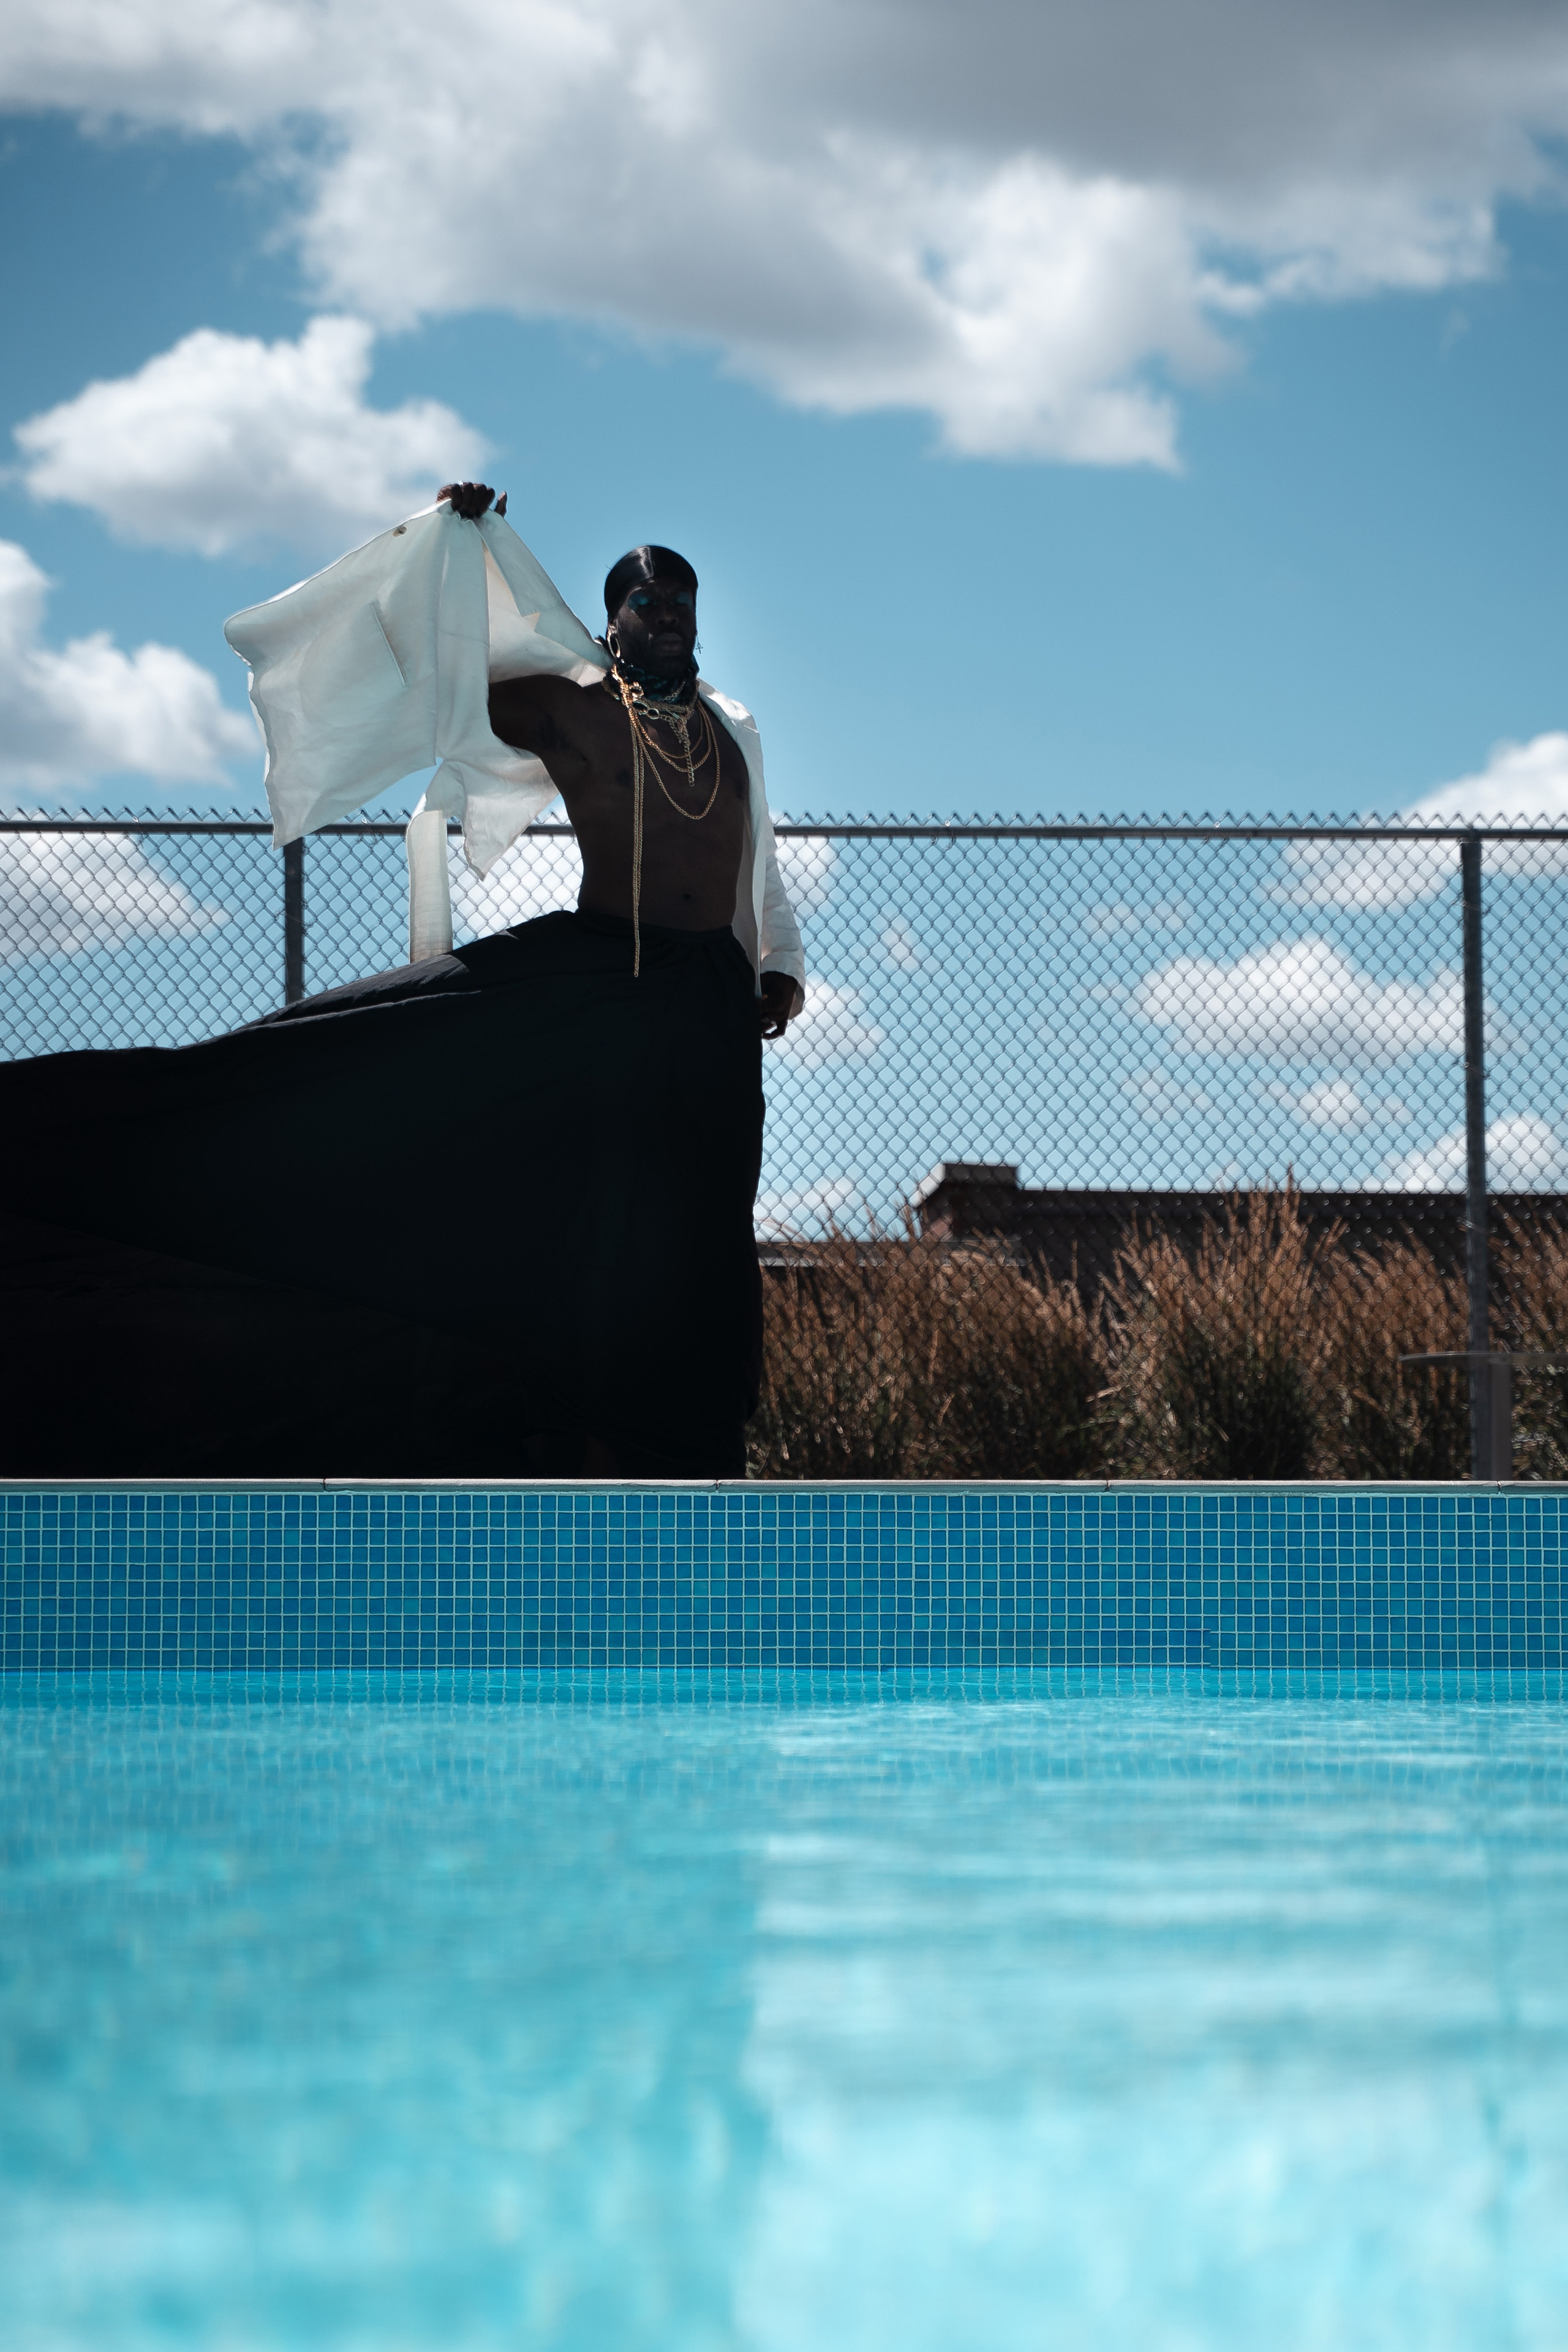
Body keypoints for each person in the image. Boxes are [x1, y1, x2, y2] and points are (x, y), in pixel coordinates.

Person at [0, 486, 804, 1479]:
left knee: (700, 1234)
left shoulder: (732, 732)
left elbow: (755, 860)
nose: (670, 612)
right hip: (609, 985)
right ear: (611, 621)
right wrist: (449, 550)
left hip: (711, 1009)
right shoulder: (574, 705)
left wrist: (779, 967)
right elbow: (440, 679)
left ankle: (693, 1457)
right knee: (463, 1117)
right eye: (647, 599)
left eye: (682, 597)